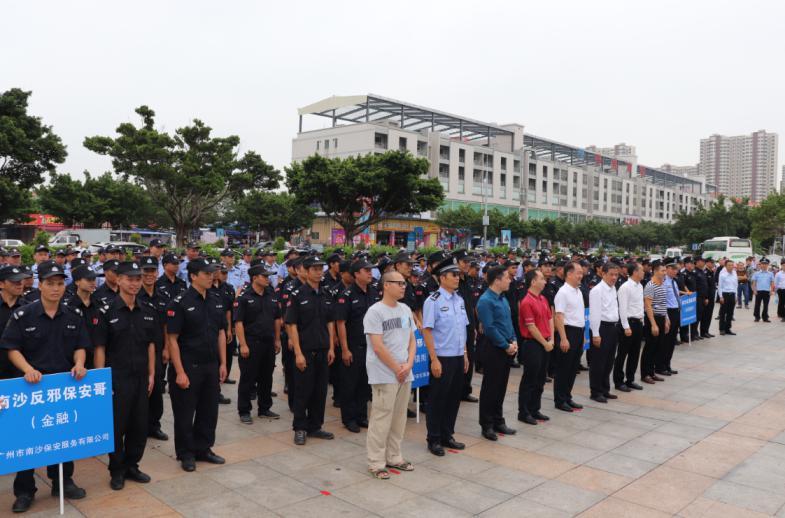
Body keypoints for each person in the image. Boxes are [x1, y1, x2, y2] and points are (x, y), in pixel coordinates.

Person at [1, 261, 91, 513]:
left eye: (60, 284)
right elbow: (11, 348)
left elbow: (81, 346)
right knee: (28, 440)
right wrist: (28, 369)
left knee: (63, 437)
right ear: (40, 285)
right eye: (50, 283)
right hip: (31, 388)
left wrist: (81, 363)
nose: (55, 288)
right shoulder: (23, 314)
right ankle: (25, 490)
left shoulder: (73, 315)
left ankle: (62, 481)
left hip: (63, 387)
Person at [93, 262, 156, 490]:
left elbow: (150, 345)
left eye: (137, 279)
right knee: (117, 426)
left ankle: (132, 465)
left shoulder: (147, 311)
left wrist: (151, 374)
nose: (134, 283)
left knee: (139, 426)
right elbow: (100, 348)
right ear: (118, 280)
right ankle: (117, 469)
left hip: (140, 377)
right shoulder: (105, 312)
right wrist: (102, 379)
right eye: (129, 279)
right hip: (116, 379)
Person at [166, 258, 227, 472]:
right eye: (206, 273)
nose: (211, 277)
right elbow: (172, 339)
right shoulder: (180, 302)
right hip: (188, 366)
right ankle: (186, 453)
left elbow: (221, 332)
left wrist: (223, 363)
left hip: (210, 364)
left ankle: (204, 448)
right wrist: (180, 372)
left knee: (209, 410)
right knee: (184, 412)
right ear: (193, 276)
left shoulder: (216, 299)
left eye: (212, 273)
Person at [363, 271, 416, 479]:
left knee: (399, 417)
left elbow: (412, 340)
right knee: (381, 417)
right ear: (386, 285)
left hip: (404, 372)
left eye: (404, 283)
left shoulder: (405, 309)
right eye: (399, 283)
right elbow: (377, 346)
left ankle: (394, 456)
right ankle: (376, 462)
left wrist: (409, 364)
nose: (404, 286)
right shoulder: (375, 312)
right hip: (384, 372)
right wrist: (397, 368)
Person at [285, 255, 336, 445]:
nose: (318, 272)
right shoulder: (297, 295)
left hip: (323, 350)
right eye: (314, 269)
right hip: (305, 351)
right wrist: (298, 352)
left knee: (320, 391)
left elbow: (330, 322)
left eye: (320, 268)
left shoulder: (326, 294)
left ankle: (315, 426)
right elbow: (292, 325)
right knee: (302, 391)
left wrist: (331, 346)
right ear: (305, 272)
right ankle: (300, 427)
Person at [422, 257, 469, 456]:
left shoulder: (459, 299)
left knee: (453, 398)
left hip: (458, 356)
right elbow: (427, 331)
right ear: (442, 278)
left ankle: (447, 434)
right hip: (442, 357)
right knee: (437, 399)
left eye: (458, 274)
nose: (457, 278)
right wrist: (434, 359)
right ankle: (433, 438)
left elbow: (462, 329)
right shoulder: (433, 301)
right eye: (453, 275)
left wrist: (465, 354)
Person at [335, 260, 380, 433]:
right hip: (354, 346)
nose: (370, 273)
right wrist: (345, 349)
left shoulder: (374, 292)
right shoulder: (346, 295)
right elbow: (341, 323)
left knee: (365, 384)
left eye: (371, 270)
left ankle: (362, 416)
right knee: (350, 384)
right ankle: (349, 419)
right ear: (356, 274)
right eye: (366, 270)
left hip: (371, 346)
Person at [235, 263, 282, 424]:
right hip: (251, 342)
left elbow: (277, 318)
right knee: (248, 378)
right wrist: (243, 344)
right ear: (255, 278)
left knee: (266, 377)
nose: (268, 279)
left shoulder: (271, 295)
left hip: (268, 342)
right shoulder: (244, 297)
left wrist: (277, 339)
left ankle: (264, 408)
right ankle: (244, 410)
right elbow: (239, 322)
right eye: (265, 276)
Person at [476, 265, 518, 440]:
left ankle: (498, 420)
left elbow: (508, 323)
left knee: (501, 386)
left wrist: (514, 340)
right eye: (507, 277)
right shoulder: (486, 300)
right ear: (497, 280)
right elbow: (490, 328)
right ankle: (487, 425)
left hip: (507, 346)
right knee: (490, 388)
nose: (510, 280)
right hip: (494, 348)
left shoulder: (503, 298)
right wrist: (505, 345)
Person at [136, 256, 170, 441]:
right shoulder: (134, 295)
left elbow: (166, 325)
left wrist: (166, 348)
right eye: (145, 271)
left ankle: (154, 425)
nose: (149, 275)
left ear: (157, 273)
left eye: (152, 271)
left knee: (156, 388)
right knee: (140, 390)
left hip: (157, 350)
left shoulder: (163, 297)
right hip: (138, 349)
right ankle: (139, 426)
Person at [517, 269, 554, 424]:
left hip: (546, 343)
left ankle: (535, 409)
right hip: (533, 344)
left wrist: (551, 338)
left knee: (540, 379)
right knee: (529, 379)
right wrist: (545, 343)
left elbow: (550, 318)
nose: (545, 281)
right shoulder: (526, 301)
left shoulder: (543, 299)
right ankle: (524, 412)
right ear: (533, 282)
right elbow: (531, 327)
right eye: (542, 279)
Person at [552, 261, 585, 412]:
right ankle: (560, 400)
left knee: (572, 368)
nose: (581, 275)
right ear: (569, 274)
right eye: (578, 272)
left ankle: (567, 396)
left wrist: (583, 335)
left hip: (578, 332)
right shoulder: (563, 292)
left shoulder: (578, 291)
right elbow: (559, 316)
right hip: (567, 332)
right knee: (563, 368)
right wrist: (564, 338)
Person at [588, 263, 620, 403]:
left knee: (609, 361)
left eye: (616, 275)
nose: (614, 277)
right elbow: (594, 313)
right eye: (611, 274)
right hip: (601, 328)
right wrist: (595, 333)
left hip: (613, 327)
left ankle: (605, 389)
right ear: (603, 274)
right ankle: (595, 391)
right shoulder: (597, 290)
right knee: (598, 362)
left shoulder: (613, 289)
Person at [614, 262, 645, 392]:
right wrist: (626, 326)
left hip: (638, 323)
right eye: (641, 270)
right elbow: (622, 308)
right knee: (622, 353)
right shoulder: (625, 287)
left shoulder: (640, 286)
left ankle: (630, 379)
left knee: (635, 353)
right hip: (628, 323)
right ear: (635, 272)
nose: (643, 273)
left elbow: (639, 305)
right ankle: (619, 381)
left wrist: (642, 319)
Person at [641, 261, 670, 384]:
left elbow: (664, 303)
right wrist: (653, 324)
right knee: (649, 347)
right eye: (662, 271)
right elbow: (647, 306)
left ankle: (652, 372)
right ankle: (645, 374)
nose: (665, 273)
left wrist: (666, 319)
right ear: (655, 271)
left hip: (661, 317)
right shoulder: (650, 285)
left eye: (665, 271)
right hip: (652, 318)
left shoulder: (663, 284)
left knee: (658, 347)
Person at [0, 265, 31, 380]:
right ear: (1, 284)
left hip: (24, 371)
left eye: (20, 280)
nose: (19, 284)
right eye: (14, 281)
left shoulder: (29, 308)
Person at [658, 261, 681, 376]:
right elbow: (663, 301)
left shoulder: (674, 282)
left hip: (676, 312)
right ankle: (661, 366)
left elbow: (675, 296)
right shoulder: (663, 282)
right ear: (667, 269)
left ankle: (667, 364)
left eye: (676, 269)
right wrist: (666, 317)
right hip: (668, 313)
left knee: (672, 341)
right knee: (665, 342)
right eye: (673, 269)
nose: (675, 271)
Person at [718, 259, 739, 335]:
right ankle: (722, 329)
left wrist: (736, 296)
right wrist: (721, 297)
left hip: (732, 294)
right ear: (725, 266)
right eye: (729, 265)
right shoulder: (722, 274)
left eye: (732, 265)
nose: (731, 267)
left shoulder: (734, 273)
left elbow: (736, 285)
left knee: (730, 313)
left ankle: (728, 329)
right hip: (725, 294)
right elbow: (720, 286)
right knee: (723, 313)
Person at [752, 258, 775, 322]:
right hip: (758, 291)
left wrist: (771, 290)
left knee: (766, 305)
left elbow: (772, 283)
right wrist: (754, 290)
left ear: (768, 265)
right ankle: (757, 317)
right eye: (762, 264)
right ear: (760, 265)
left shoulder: (770, 273)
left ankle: (765, 317)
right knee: (757, 305)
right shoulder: (756, 273)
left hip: (767, 291)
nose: (764, 265)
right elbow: (754, 282)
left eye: (765, 264)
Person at [701, 258, 717, 338]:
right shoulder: (705, 272)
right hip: (707, 297)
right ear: (707, 263)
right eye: (711, 262)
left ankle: (707, 331)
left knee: (709, 315)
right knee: (705, 315)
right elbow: (705, 286)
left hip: (712, 297)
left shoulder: (711, 272)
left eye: (713, 262)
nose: (713, 264)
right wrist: (706, 297)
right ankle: (703, 332)